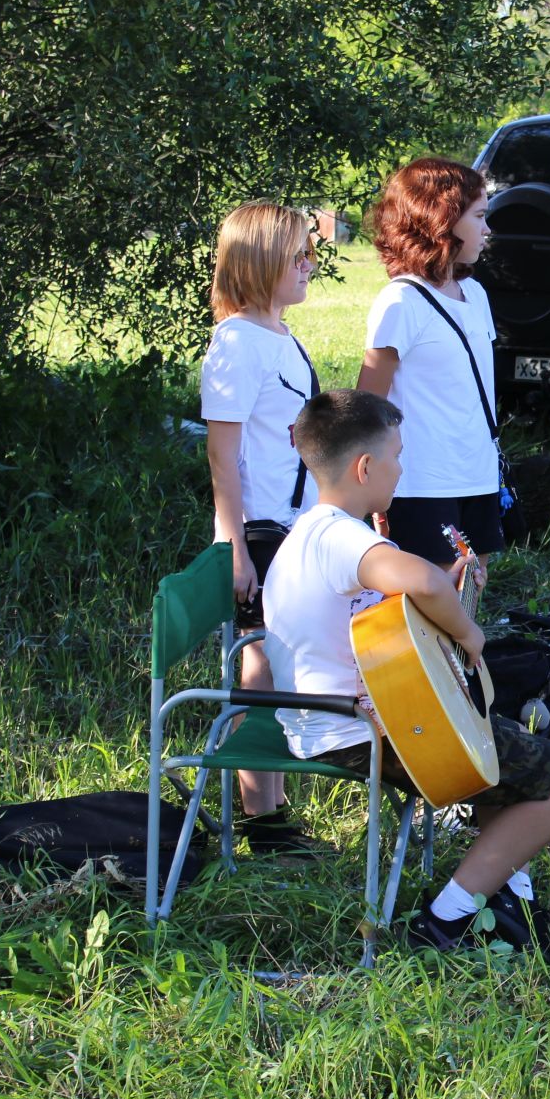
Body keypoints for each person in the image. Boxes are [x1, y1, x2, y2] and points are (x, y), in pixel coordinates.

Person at [261, 389, 550, 953]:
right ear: (365, 467)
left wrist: (444, 594)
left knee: (494, 741)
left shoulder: (308, 531)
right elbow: (423, 582)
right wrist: (466, 631)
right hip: (361, 732)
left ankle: (510, 898)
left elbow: (386, 617)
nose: (401, 466)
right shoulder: (343, 535)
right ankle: (447, 920)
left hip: (342, 721)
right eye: (397, 454)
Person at [200, 201, 322, 853]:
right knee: (259, 669)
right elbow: (223, 454)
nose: (309, 267)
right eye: (298, 256)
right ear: (261, 261)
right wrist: (234, 543)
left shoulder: (277, 332)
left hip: (294, 525)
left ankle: (273, 806)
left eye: (309, 255)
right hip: (260, 531)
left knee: (279, 666)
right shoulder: (236, 341)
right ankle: (260, 819)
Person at [356, 158, 506, 567]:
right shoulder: (400, 302)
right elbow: (367, 406)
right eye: (479, 216)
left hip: (476, 476)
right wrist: (369, 494)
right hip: (421, 486)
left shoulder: (475, 294)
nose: (487, 229)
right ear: (442, 219)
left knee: (469, 600)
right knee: (432, 613)